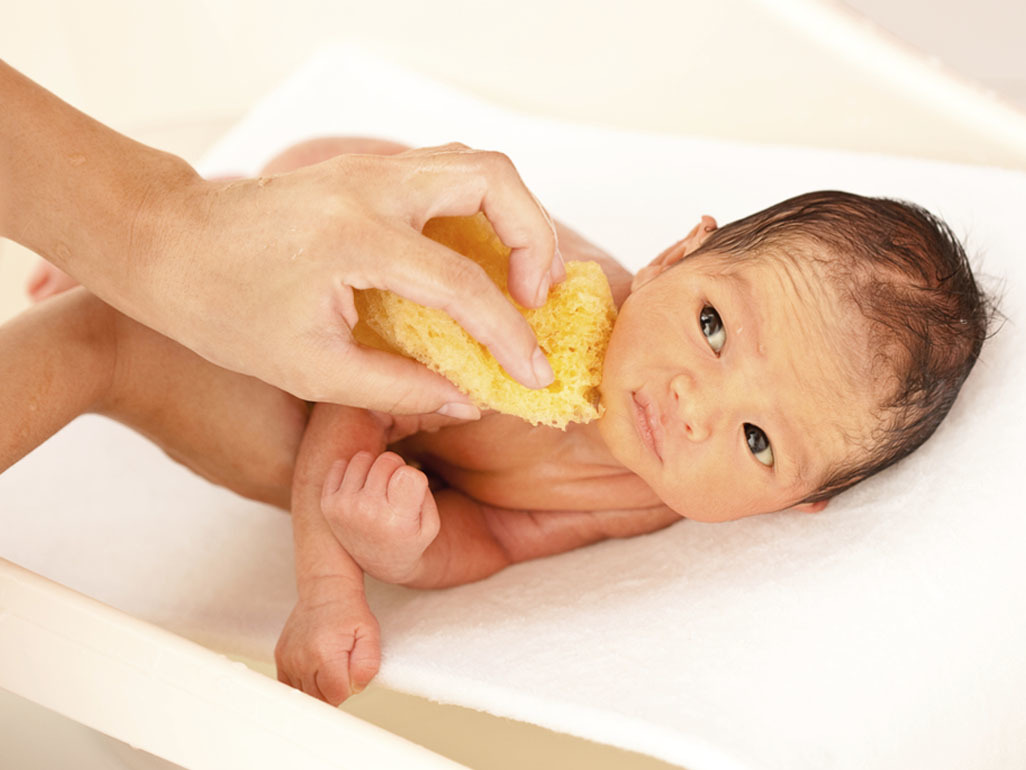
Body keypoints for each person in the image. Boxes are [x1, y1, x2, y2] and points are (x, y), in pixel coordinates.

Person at [0, 138, 990, 708]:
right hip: (334, 276)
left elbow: (497, 536)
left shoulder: (644, 504)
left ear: (795, 505)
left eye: (758, 440)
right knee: (102, 333)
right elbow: (365, 380)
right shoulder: (553, 295)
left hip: (330, 407)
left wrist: (409, 542)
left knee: (133, 354)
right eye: (714, 324)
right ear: (674, 255)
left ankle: (151, 260)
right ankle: (177, 228)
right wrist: (327, 585)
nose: (693, 404)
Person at [0, 61, 564, 418]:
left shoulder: (625, 499)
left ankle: (192, 209)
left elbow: (485, 537)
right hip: (336, 227)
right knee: (103, 336)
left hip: (306, 292)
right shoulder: (584, 285)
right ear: (658, 266)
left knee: (108, 337)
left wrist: (140, 227)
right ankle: (223, 195)